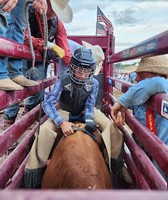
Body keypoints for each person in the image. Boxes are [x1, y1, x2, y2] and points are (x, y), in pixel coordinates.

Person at [24, 47, 125, 188]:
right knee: (44, 130)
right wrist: (61, 123)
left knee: (111, 127)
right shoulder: (63, 79)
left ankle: (116, 166)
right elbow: (48, 103)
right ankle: (35, 171)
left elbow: (90, 105)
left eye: (87, 71)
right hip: (65, 112)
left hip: (84, 112)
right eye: (79, 69)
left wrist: (89, 120)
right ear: (72, 67)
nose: (82, 75)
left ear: (91, 71)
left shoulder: (94, 83)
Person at [3, 0, 72, 125]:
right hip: (21, 55)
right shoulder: (27, 10)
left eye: (57, 11)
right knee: (15, 85)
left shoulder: (58, 24)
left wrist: (73, 67)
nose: (53, 13)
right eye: (52, 8)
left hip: (40, 58)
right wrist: (48, 45)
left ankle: (30, 113)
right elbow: (21, 36)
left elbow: (65, 50)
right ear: (46, 3)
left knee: (38, 85)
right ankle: (9, 119)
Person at [111, 55, 168, 181]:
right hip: (149, 146)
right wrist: (124, 107)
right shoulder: (147, 92)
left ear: (159, 75)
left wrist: (120, 103)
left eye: (141, 76)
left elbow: (158, 82)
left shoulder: (162, 84)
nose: (136, 79)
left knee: (158, 181)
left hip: (162, 151)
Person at [0, 0, 47, 91]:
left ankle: (14, 73)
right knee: (3, 10)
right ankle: (2, 73)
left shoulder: (56, 23)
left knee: (18, 22)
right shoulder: (34, 12)